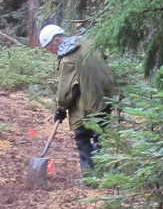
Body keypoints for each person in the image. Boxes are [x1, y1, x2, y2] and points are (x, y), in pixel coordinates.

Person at [38, 23, 116, 173]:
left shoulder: (67, 60)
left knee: (82, 137)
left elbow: (67, 92)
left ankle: (91, 177)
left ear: (57, 41)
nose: (52, 52)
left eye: (50, 49)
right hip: (106, 99)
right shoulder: (89, 43)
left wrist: (61, 108)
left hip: (87, 106)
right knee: (101, 136)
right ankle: (103, 172)